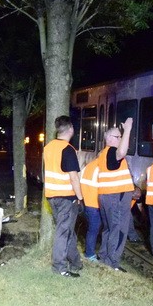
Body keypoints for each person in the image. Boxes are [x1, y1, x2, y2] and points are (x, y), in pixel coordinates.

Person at [43, 116, 83, 277]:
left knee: (67, 230)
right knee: (63, 232)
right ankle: (59, 267)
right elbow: (74, 177)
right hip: (66, 197)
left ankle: (76, 262)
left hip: (52, 196)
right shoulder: (68, 149)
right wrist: (80, 197)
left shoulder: (48, 147)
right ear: (71, 129)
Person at [96, 118, 134, 272]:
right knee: (118, 229)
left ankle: (104, 256)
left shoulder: (103, 153)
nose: (121, 139)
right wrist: (128, 130)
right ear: (110, 139)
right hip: (116, 196)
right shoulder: (112, 151)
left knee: (108, 228)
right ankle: (113, 262)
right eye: (119, 137)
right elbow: (122, 151)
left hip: (107, 196)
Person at [80, 156, 101, 262]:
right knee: (94, 230)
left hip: (87, 202)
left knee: (92, 229)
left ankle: (90, 252)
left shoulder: (88, 166)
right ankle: (90, 254)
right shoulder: (101, 168)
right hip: (95, 203)